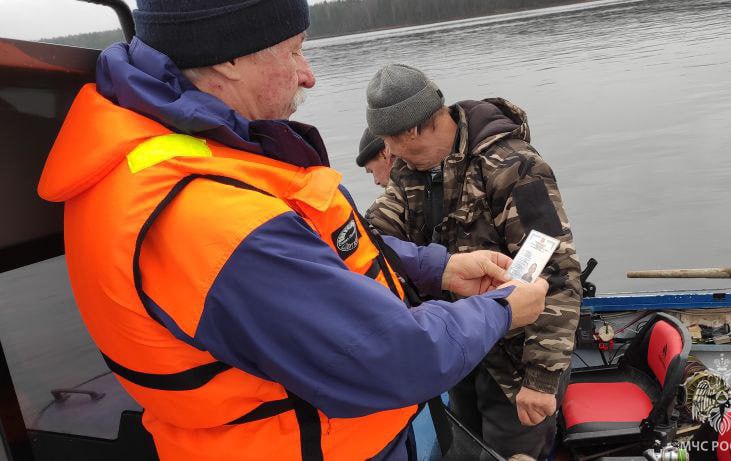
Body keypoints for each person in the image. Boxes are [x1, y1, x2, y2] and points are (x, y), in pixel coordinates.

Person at [36, 2, 549, 460]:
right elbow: (388, 357)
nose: (309, 76)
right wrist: (502, 310)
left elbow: (309, 246)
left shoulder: (179, 150)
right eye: (294, 51)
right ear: (228, 58)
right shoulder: (204, 217)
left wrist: (437, 266)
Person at [365, 64, 582, 460]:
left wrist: (541, 378)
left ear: (412, 130)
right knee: (462, 450)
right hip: (462, 349)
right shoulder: (409, 171)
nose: (390, 155)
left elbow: (555, 271)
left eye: (391, 142)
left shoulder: (514, 168)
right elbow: (373, 237)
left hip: (517, 366)